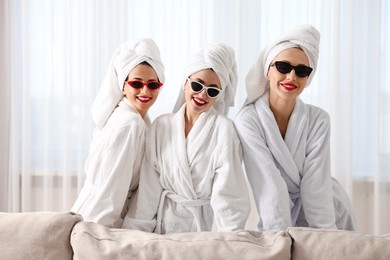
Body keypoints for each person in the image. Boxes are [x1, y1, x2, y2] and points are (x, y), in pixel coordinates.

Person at [234, 25, 356, 231]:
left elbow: (316, 184)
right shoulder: (248, 120)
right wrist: (280, 237)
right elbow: (268, 183)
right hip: (278, 215)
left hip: (329, 210)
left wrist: (327, 235)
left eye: (301, 71)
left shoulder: (318, 119)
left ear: (308, 77)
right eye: (283, 67)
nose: (291, 77)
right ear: (267, 70)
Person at [122, 43, 250, 234]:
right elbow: (148, 188)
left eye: (212, 90)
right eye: (197, 85)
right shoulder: (161, 125)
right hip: (161, 228)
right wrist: (136, 233)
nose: (202, 95)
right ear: (185, 83)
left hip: (199, 231)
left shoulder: (224, 130)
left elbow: (228, 195)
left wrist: (229, 241)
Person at [71, 38, 165, 228]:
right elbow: (110, 193)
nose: (145, 91)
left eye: (153, 85)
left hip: (93, 217)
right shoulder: (130, 125)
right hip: (99, 221)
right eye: (136, 84)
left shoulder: (136, 119)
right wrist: (99, 240)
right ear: (123, 86)